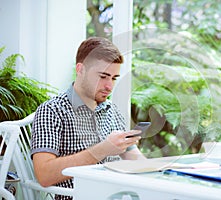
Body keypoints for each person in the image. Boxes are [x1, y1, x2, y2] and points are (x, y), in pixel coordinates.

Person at [31, 37, 146, 200]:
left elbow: (133, 157)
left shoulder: (112, 111)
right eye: (103, 76)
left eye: (114, 78)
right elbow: (44, 175)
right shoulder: (52, 110)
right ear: (81, 69)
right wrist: (104, 149)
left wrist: (158, 170)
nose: (109, 86)